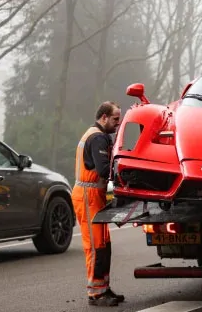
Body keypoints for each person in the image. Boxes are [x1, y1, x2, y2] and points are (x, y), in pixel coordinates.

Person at [72, 101, 124, 306]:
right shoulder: (98, 138)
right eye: (115, 119)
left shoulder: (98, 136)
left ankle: (103, 288)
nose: (118, 124)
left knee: (104, 244)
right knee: (95, 246)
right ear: (104, 117)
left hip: (94, 195)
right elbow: (103, 170)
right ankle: (95, 293)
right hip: (88, 195)